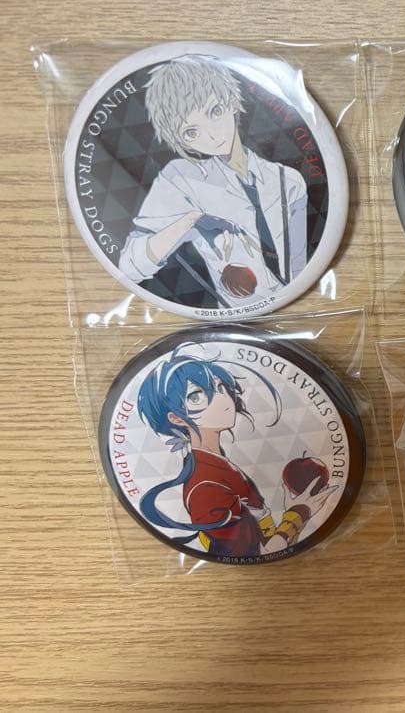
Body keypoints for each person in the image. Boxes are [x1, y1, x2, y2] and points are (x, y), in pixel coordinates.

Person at [117, 55, 308, 308]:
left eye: (215, 111)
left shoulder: (289, 180)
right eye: (191, 132)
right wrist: (191, 220)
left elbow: (301, 272)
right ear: (181, 141)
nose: (212, 135)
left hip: (291, 308)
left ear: (232, 102)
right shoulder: (182, 179)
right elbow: (129, 266)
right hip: (231, 318)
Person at [136, 348, 332, 558]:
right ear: (176, 418)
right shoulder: (205, 487)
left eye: (220, 387)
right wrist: (298, 513)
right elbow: (257, 554)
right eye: (196, 396)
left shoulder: (215, 463)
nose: (222, 399)